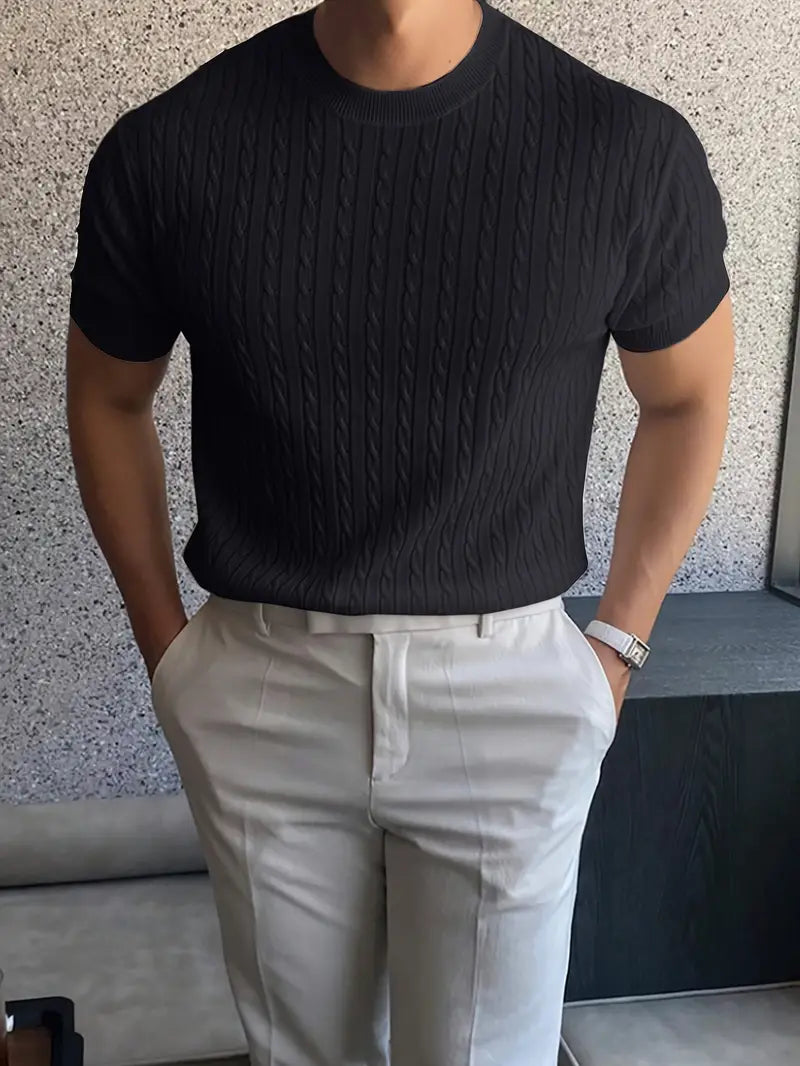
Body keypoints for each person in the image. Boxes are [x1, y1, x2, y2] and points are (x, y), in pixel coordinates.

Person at [65, 0, 735, 1062]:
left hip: (508, 682)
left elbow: (688, 397)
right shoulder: (170, 146)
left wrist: (616, 644)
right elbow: (107, 397)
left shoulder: (624, 148)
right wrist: (169, 654)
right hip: (261, 682)